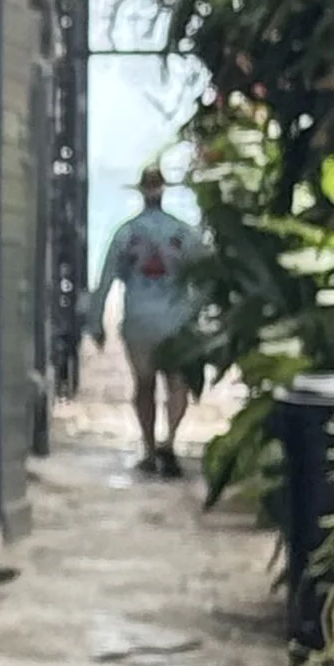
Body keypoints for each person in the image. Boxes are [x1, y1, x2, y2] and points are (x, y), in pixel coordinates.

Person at [85, 161, 200, 477]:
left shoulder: (125, 234)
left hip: (138, 320)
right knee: (178, 383)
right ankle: (170, 441)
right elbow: (206, 277)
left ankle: (149, 449)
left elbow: (106, 279)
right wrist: (196, 313)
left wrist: (95, 323)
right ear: (163, 193)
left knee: (144, 385)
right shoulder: (184, 233)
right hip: (176, 319)